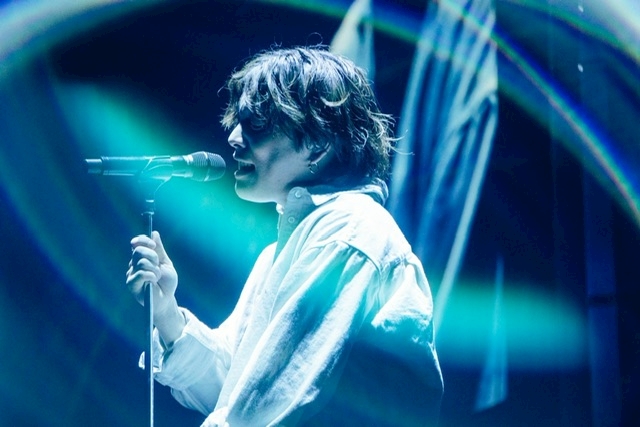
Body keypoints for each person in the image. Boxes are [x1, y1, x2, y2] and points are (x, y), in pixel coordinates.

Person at [127, 46, 443, 427]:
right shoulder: (287, 248)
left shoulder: (348, 231)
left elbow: (271, 406)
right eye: (238, 121)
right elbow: (234, 389)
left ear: (318, 145)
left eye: (256, 124)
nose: (233, 137)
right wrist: (166, 314)